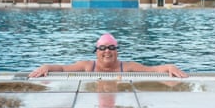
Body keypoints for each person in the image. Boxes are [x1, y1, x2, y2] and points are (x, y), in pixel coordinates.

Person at [29, 33, 188, 78]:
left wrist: (168, 66)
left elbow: (152, 70)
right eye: (103, 47)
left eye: (111, 47)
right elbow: (63, 69)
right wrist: (46, 67)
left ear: (117, 50)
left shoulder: (126, 67)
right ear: (96, 51)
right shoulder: (87, 66)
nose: (107, 51)